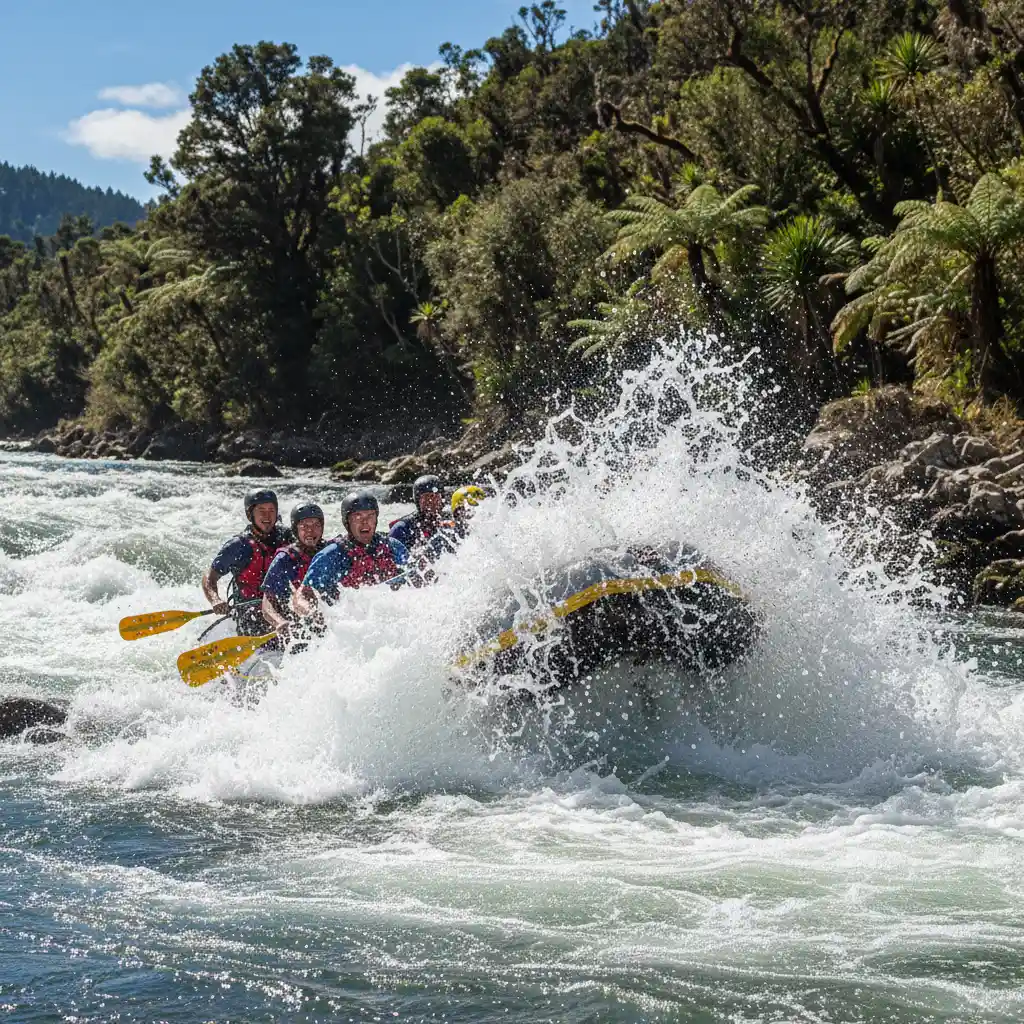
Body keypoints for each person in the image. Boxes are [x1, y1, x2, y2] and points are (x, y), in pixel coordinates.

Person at [293, 490, 408, 612]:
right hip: (347, 619)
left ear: (376, 519)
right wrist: (307, 608)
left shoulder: (393, 546)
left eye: (370, 516)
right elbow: (302, 593)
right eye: (358, 516)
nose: (365, 522)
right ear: (347, 522)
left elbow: (415, 579)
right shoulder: (331, 555)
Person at [202, 489, 293, 635]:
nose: (267, 516)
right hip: (251, 619)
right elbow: (209, 577)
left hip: (284, 611)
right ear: (250, 514)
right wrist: (215, 600)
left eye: (271, 510)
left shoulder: (287, 537)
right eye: (261, 511)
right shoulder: (238, 546)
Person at [261, 502, 327, 635]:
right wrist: (279, 622)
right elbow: (266, 604)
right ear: (295, 529)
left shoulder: (330, 552)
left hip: (327, 619)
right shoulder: (285, 558)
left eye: (316, 525)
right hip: (297, 625)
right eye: (304, 526)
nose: (310, 530)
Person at [389, 474, 448, 554]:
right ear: (417, 500)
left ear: (442, 499)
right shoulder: (401, 528)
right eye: (427, 497)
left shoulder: (449, 524)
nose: (432, 501)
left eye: (435, 497)